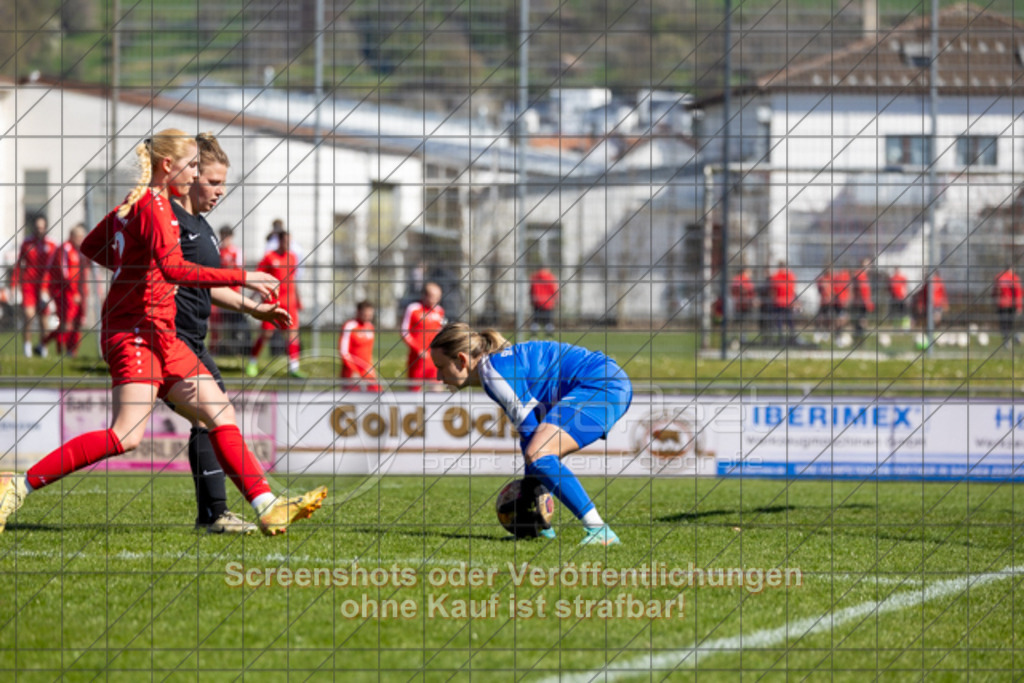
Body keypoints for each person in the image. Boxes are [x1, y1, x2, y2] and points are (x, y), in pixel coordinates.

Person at [0, 129, 326, 536]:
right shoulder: (153, 206)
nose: (195, 175)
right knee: (126, 435)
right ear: (168, 166)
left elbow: (94, 247)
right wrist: (243, 277)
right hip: (135, 333)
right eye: (192, 166)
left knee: (219, 411)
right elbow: (174, 269)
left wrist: (133, 267)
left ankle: (266, 505)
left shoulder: (135, 204)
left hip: (161, 331)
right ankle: (16, 485)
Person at [170, 133, 295, 534]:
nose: (220, 191)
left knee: (209, 419)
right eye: (213, 181)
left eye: (224, 183)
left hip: (192, 340)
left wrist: (253, 307)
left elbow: (206, 284)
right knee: (129, 433)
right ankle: (23, 483)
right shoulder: (167, 221)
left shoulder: (202, 228)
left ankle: (215, 514)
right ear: (189, 175)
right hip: (167, 340)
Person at [430, 323, 630, 546]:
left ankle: (600, 531)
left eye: (440, 366)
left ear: (461, 360)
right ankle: (547, 528)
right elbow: (530, 437)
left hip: (600, 385)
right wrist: (536, 503)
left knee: (539, 454)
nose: (438, 376)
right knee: (538, 453)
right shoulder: (495, 369)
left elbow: (531, 439)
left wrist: (529, 492)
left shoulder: (495, 374)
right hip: (604, 382)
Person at [245, 230, 304, 379]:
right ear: (279, 241)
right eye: (285, 242)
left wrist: (298, 298)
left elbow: (293, 279)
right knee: (266, 334)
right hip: (273, 302)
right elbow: (258, 277)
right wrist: (252, 297)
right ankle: (252, 363)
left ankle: (294, 367)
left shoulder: (292, 257)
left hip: (289, 303)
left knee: (292, 334)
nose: (288, 245)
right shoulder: (269, 257)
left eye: (290, 242)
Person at [14, 214, 58, 357]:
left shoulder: (52, 245)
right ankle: (27, 348)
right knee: (29, 316)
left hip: (45, 287)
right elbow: (19, 265)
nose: (40, 230)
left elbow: (56, 268)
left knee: (44, 320)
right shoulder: (27, 243)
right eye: (37, 227)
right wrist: (14, 285)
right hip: (29, 285)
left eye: (42, 227)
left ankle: (42, 347)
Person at [42, 224, 88, 356]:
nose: (81, 240)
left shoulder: (80, 251)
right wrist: (74, 292)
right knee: (67, 322)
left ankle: (72, 350)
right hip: (65, 292)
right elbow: (65, 272)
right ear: (72, 236)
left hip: (78, 292)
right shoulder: (65, 248)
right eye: (78, 237)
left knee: (78, 321)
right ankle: (57, 348)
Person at [210, 224, 250, 356]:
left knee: (235, 325)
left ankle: (237, 351)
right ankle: (214, 350)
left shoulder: (236, 252)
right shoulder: (216, 251)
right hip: (217, 292)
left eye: (226, 236)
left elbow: (240, 272)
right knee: (216, 324)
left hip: (233, 293)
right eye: (222, 236)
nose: (224, 239)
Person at [401, 281, 446, 390]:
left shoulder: (439, 311)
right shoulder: (413, 309)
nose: (436, 300)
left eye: (438, 297)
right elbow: (404, 331)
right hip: (417, 360)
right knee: (414, 393)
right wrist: (418, 349)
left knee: (437, 391)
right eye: (433, 296)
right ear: (424, 295)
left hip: (434, 360)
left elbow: (441, 333)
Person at [339, 300, 380, 391]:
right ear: (359, 312)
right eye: (366, 314)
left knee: (377, 392)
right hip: (352, 371)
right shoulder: (350, 326)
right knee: (351, 400)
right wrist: (354, 370)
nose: (368, 317)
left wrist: (371, 367)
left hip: (366, 369)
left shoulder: (370, 327)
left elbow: (369, 350)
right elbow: (343, 352)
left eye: (370, 315)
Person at [768, 261, 797, 344]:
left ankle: (788, 338)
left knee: (786, 322)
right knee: (785, 322)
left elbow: (773, 291)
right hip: (782, 303)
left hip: (784, 303)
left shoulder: (786, 276)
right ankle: (786, 338)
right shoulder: (786, 276)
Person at [993, 266, 1022, 344]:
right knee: (1011, 322)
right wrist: (1019, 306)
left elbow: (995, 291)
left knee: (1003, 323)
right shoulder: (1014, 278)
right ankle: (1015, 337)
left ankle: (1006, 340)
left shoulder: (999, 277)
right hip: (1011, 304)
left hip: (1001, 304)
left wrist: (995, 302)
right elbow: (1017, 292)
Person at [529, 267, 559, 336]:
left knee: (536, 320)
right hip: (548, 303)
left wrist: (531, 300)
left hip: (537, 302)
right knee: (548, 320)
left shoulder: (535, 277)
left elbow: (532, 290)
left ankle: (534, 335)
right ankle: (549, 335)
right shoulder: (550, 277)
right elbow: (553, 289)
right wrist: (556, 298)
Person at [730, 267, 757, 338]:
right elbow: (737, 289)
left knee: (743, 322)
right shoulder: (738, 279)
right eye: (748, 271)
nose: (750, 273)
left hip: (745, 304)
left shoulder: (748, 280)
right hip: (740, 304)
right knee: (738, 322)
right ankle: (736, 337)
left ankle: (742, 338)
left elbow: (751, 292)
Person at [851, 259, 875, 337]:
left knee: (862, 320)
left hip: (863, 302)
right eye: (868, 265)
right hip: (861, 302)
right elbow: (861, 290)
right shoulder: (860, 275)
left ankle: (860, 336)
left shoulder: (864, 276)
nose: (870, 267)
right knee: (861, 320)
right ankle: (859, 336)